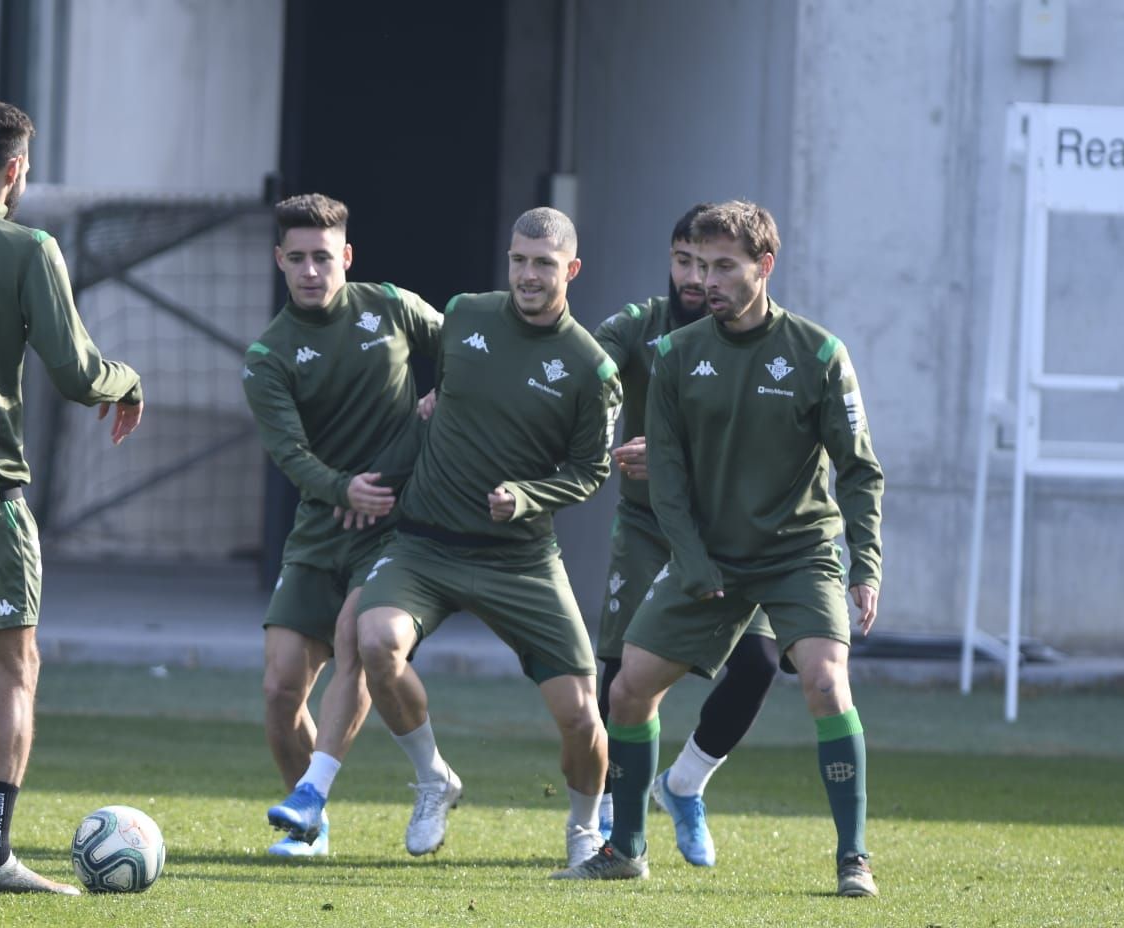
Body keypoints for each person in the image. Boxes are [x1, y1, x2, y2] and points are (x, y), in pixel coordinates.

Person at [555, 200, 884, 897]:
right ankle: (627, 847)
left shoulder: (819, 353)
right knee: (629, 689)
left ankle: (854, 858)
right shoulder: (675, 354)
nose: (707, 279)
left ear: (764, 267)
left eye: (724, 266)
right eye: (699, 265)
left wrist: (867, 565)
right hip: (709, 556)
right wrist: (694, 559)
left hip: (799, 554)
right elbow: (666, 477)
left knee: (826, 682)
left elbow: (857, 469)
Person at [354, 207, 623, 869]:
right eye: (519, 260)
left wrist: (527, 496)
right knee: (375, 643)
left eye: (544, 264)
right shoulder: (466, 315)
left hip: (520, 558)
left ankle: (585, 829)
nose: (528, 276)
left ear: (573, 270)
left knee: (583, 716)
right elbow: (449, 395)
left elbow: (591, 471)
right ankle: (433, 778)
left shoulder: (591, 369)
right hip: (426, 546)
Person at [0, 99, 144, 894]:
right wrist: (130, 381)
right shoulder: (27, 245)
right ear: (16, 170)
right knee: (10, 666)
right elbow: (80, 373)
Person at [242, 193, 442, 856]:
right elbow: (290, 453)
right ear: (279, 260)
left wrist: (446, 394)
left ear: (346, 257)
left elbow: (472, 351)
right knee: (278, 692)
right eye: (296, 258)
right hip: (321, 526)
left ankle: (310, 802)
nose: (309, 270)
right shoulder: (268, 354)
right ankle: (312, 822)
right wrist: (341, 488)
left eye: (322, 257)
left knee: (358, 640)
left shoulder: (389, 306)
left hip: (393, 530)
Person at [591, 203, 780, 867]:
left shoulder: (754, 338)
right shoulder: (639, 325)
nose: (696, 276)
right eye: (684, 261)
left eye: (709, 264)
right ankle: (617, 812)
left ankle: (685, 784)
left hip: (730, 533)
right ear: (671, 262)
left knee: (758, 662)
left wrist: (670, 456)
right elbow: (590, 364)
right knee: (616, 670)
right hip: (648, 526)